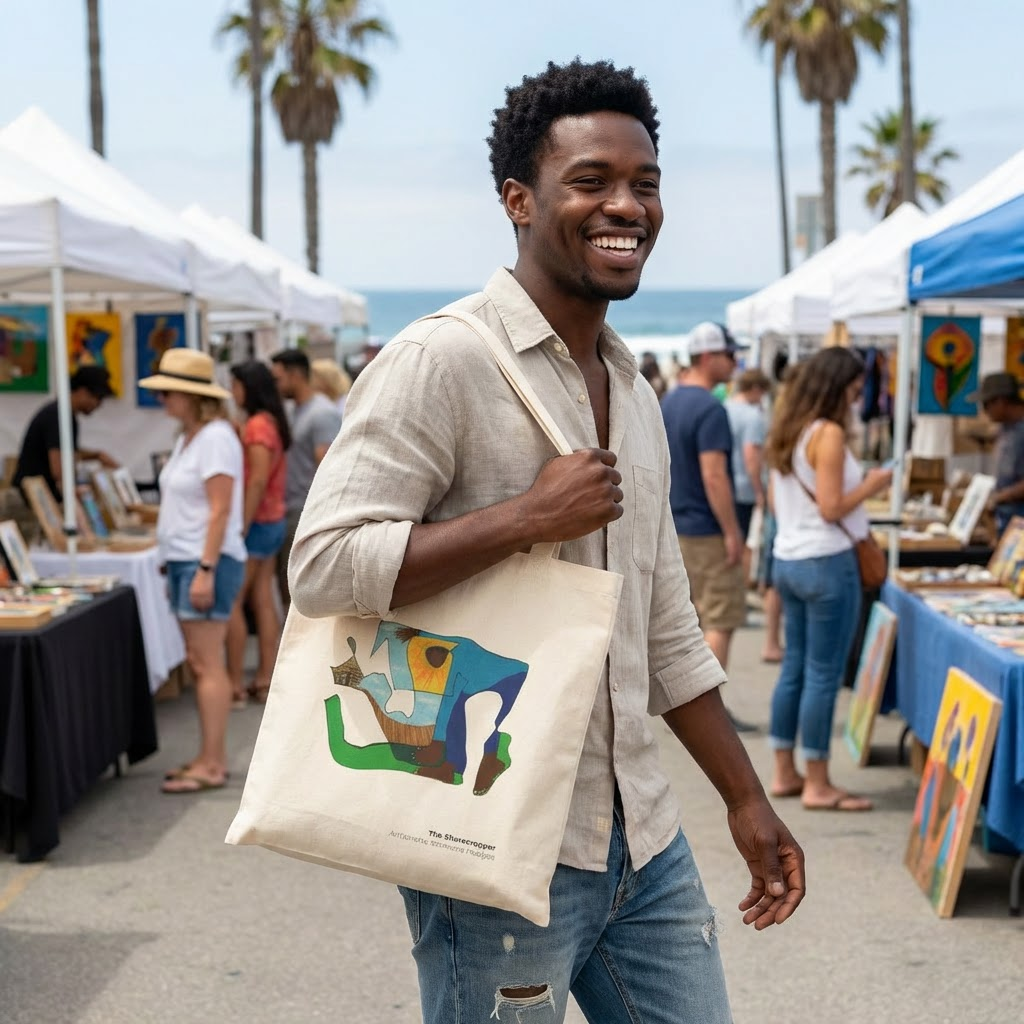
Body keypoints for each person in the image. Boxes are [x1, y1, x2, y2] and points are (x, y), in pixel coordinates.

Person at [289, 59, 803, 1024]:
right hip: (491, 836)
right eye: (591, 181)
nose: (627, 206)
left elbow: (664, 626)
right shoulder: (440, 359)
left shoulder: (637, 393)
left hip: (643, 840)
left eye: (644, 184)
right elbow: (320, 567)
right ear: (519, 201)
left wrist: (744, 799)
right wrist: (524, 521)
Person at [764, 347, 892, 811]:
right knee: (822, 674)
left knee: (795, 669)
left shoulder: (787, 429)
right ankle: (818, 781)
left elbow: (779, 504)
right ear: (839, 387)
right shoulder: (830, 434)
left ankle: (784, 771)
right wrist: (875, 484)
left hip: (790, 559)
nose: (859, 396)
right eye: (856, 388)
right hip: (826, 561)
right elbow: (833, 507)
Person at [139, 348, 247, 794]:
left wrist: (204, 568)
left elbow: (220, 511)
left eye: (169, 391)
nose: (162, 398)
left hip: (207, 560)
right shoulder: (194, 436)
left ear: (192, 396)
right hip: (191, 558)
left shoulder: (215, 437)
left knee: (206, 664)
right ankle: (208, 757)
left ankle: (213, 763)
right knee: (202, 662)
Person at [661, 322, 754, 730]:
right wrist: (734, 533)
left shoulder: (668, 401)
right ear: (707, 357)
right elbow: (714, 475)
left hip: (675, 525)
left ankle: (691, 713)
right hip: (706, 528)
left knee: (690, 623)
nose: (735, 361)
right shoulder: (709, 408)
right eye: (729, 354)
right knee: (720, 620)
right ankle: (708, 718)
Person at [226, 360, 291, 707]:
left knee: (236, 600)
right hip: (273, 518)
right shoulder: (269, 423)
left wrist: (241, 524)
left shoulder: (257, 426)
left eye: (235, 385)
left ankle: (236, 682)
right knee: (262, 599)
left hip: (259, 522)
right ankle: (266, 675)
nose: (232, 392)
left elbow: (257, 479)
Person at [269, 349, 342, 606]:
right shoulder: (297, 410)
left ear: (295, 375)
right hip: (290, 509)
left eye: (278, 378)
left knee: (295, 592)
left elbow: (329, 468)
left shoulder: (321, 413)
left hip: (304, 512)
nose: (274, 385)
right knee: (285, 587)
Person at [13, 366, 118, 499]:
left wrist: (97, 455)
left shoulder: (65, 416)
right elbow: (59, 470)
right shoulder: (57, 416)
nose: (98, 404)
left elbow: (66, 451)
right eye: (97, 398)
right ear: (82, 391)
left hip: (39, 496)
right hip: (32, 500)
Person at [725, 367, 771, 544]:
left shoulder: (725, 407)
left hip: (727, 484)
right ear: (755, 389)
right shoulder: (753, 416)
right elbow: (751, 456)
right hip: (744, 489)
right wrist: (759, 491)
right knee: (745, 542)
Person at [974, 372, 1024, 533]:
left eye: (986, 405)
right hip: (1006, 519)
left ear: (1001, 401)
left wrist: (999, 497)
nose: (984, 411)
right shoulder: (1005, 428)